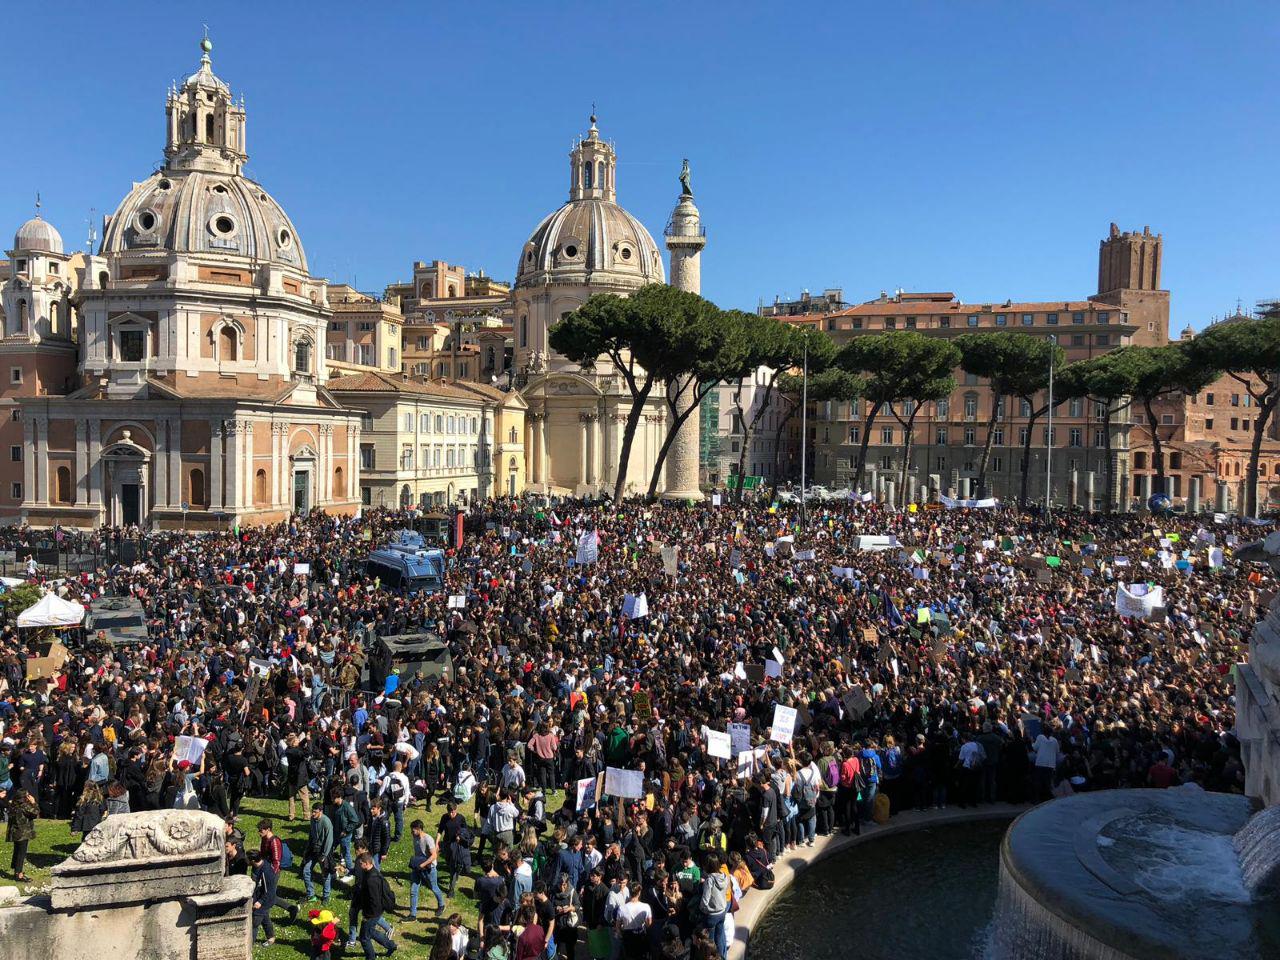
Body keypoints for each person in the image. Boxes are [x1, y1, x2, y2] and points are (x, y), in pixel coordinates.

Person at [352, 852, 397, 959]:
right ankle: (391, 945)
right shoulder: (371, 872)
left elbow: (374, 900)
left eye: (361, 863)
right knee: (370, 931)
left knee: (364, 938)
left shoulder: (371, 879)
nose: (359, 865)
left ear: (367, 863)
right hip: (374, 912)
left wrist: (367, 916)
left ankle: (370, 957)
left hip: (372, 913)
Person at [408, 817, 446, 919]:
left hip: (429, 868)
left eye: (413, 830)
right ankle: (413, 914)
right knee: (413, 890)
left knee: (434, 888)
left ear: (419, 829)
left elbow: (434, 856)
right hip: (418, 867)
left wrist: (423, 865)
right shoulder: (415, 837)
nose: (411, 832)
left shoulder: (428, 839)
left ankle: (441, 905)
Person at [2, 786, 38, 882]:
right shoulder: (24, 806)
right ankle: (19, 874)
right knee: (21, 853)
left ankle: (16, 869)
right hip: (23, 833)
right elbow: (35, 813)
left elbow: (6, 803)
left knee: (17, 851)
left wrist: (3, 798)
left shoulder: (14, 805)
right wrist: (34, 803)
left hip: (15, 832)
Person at [698, 851, 730, 960]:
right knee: (719, 938)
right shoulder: (724, 876)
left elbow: (705, 900)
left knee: (709, 944)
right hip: (722, 912)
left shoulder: (709, 880)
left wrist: (702, 909)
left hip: (711, 915)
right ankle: (721, 957)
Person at [302, 803, 335, 903]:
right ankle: (311, 894)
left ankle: (326, 895)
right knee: (306, 871)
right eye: (312, 811)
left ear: (321, 812)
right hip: (313, 850)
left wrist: (324, 855)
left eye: (315, 812)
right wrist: (307, 849)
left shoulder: (326, 822)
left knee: (325, 874)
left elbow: (329, 840)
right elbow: (311, 835)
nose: (313, 814)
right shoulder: (312, 820)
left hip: (323, 851)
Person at [249, 849, 279, 946]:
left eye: (247, 859)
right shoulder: (255, 866)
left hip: (265, 900)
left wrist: (260, 902)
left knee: (255, 922)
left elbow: (269, 890)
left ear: (253, 861)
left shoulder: (266, 872)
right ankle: (271, 937)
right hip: (258, 897)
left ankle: (249, 945)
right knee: (265, 917)